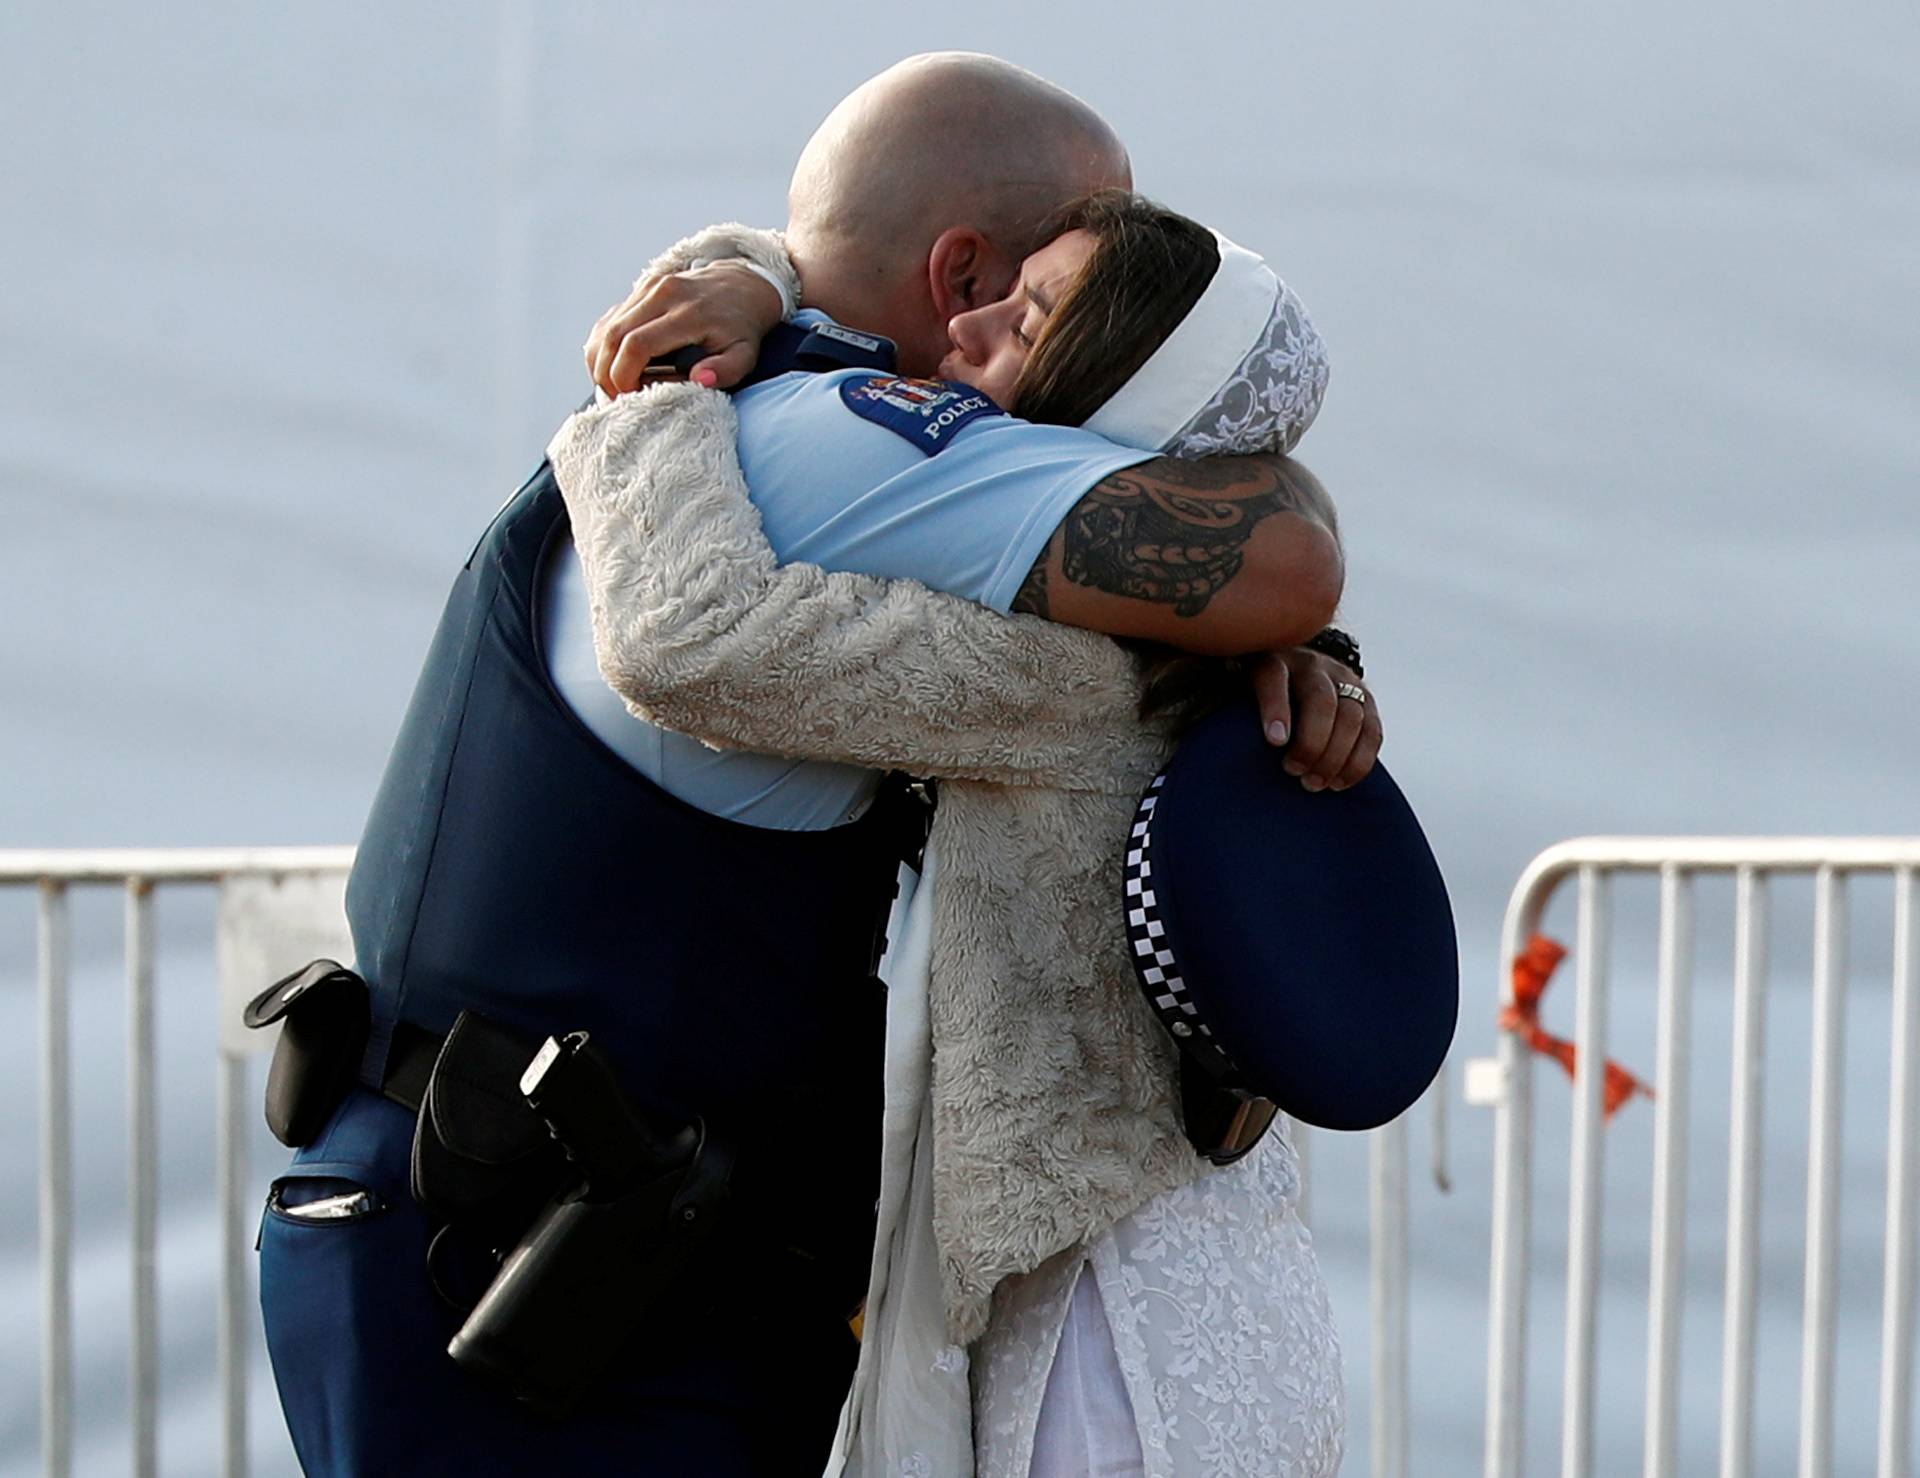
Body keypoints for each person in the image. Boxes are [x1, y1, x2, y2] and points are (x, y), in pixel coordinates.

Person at [257, 53, 1359, 1476]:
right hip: (548, 1279)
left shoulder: (741, 405)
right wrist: (1255, 657)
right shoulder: (871, 445)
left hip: (468, 1221)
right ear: (963, 275)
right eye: (1061, 294)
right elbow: (1280, 556)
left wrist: (758, 269)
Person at [554, 190, 1358, 1474]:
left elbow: (691, 635)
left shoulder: (1064, 671)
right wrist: (758, 273)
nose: (963, 326)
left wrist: (659, 392)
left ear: (1116, 393)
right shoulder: (1192, 638)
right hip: (1188, 1283)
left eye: (1029, 315)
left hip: (1112, 1335)